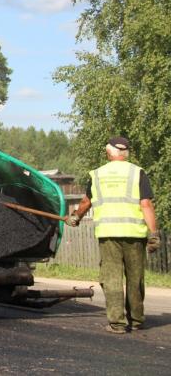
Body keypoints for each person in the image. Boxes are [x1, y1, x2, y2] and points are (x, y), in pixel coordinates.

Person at [66, 136, 160, 333]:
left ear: (109, 152)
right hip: (135, 234)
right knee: (135, 277)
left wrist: (76, 217)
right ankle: (136, 319)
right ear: (125, 153)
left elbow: (85, 202)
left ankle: (117, 323)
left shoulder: (97, 174)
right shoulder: (137, 173)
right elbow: (146, 204)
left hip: (108, 234)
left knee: (112, 277)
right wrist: (153, 232)